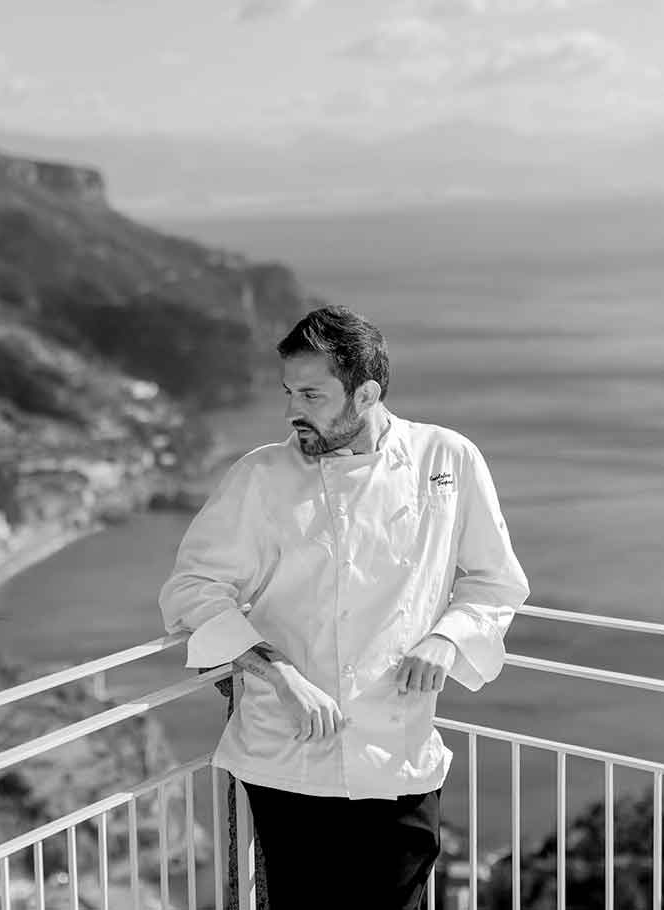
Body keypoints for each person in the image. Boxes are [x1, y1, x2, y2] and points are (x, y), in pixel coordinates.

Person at [158, 305, 529, 909]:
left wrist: (450, 637)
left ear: (367, 393)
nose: (291, 411)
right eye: (288, 392)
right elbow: (192, 588)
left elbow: (496, 581)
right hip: (288, 756)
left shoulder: (448, 460)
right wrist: (276, 673)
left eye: (311, 394)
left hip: (399, 755)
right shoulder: (260, 476)